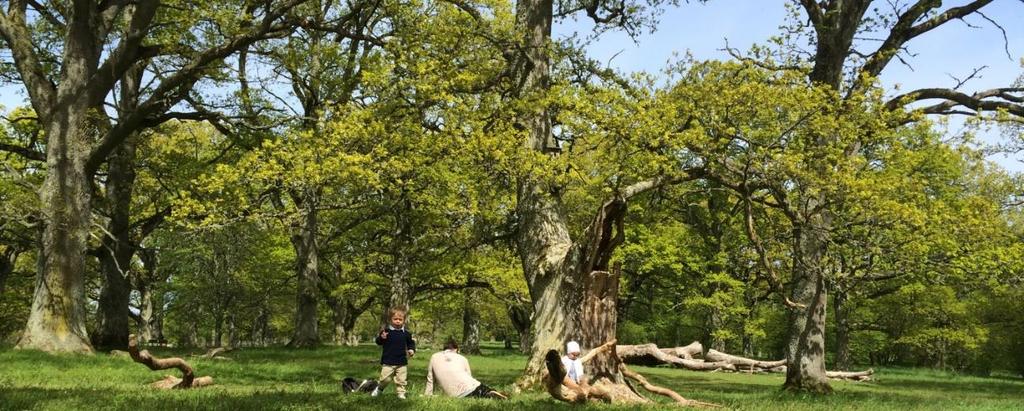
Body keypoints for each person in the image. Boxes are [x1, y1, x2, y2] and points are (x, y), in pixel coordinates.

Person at [424, 339, 507, 399]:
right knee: (482, 390)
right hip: (469, 388)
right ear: (456, 349)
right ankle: (488, 392)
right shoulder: (462, 358)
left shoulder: (434, 356)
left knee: (473, 393)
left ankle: (488, 394)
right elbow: (469, 376)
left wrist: (428, 394)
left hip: (451, 394)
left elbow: (430, 378)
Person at [371, 307, 416, 399]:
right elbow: (378, 342)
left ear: (404, 320)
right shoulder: (386, 332)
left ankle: (401, 393)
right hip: (388, 361)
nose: (398, 321)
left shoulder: (406, 333)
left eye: (400, 319)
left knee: (401, 380)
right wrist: (382, 338)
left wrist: (411, 350)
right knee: (385, 379)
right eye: (395, 319)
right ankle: (379, 389)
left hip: (401, 361)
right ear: (390, 320)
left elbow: (411, 343)